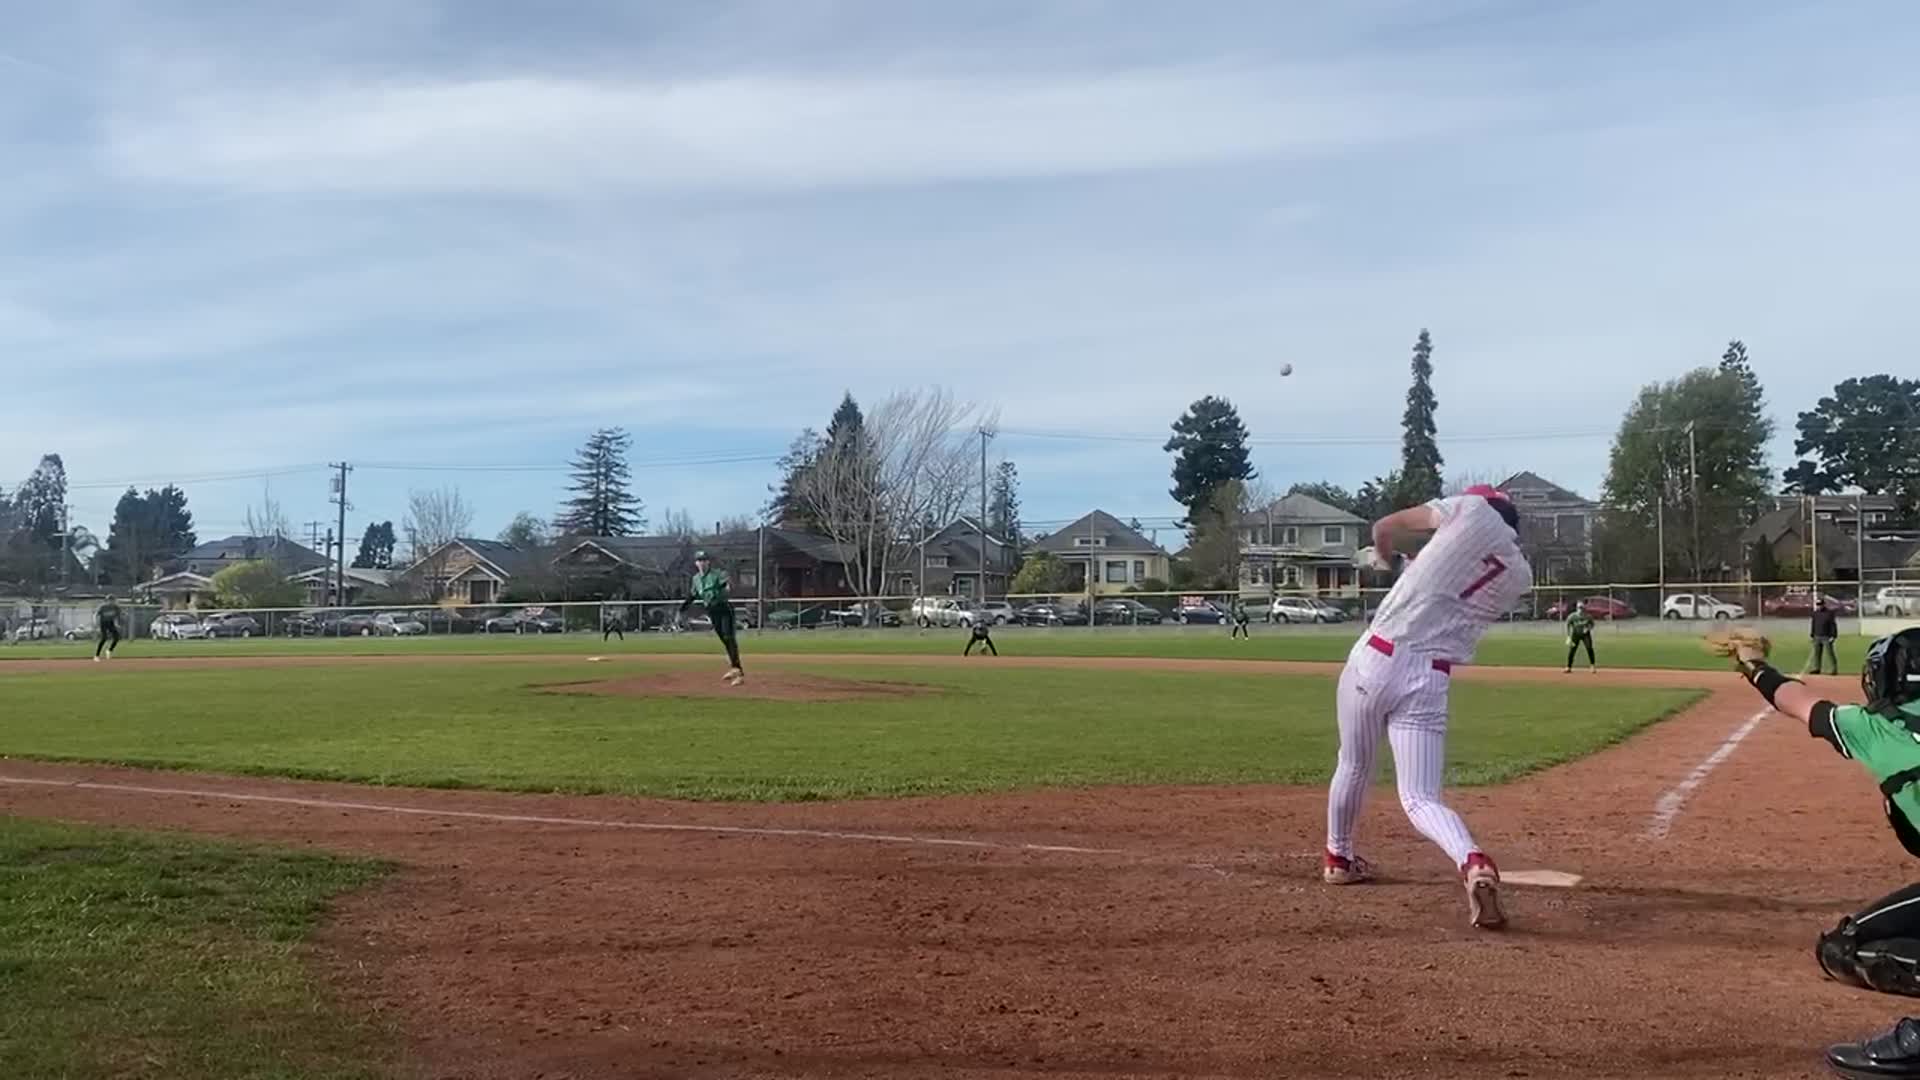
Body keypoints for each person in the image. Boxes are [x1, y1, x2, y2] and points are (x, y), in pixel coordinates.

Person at [1323, 484, 1534, 930]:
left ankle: (1338, 857)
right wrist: (1405, 566)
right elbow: (1445, 583)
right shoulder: (1519, 575)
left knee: (1355, 763)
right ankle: (1473, 860)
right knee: (1419, 798)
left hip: (1377, 657)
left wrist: (1382, 557)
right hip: (1430, 677)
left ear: (1483, 502)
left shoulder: (1471, 508)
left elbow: (1385, 527)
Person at [1723, 627, 1920, 1076]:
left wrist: (1754, 665)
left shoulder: (1875, 726)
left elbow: (1796, 700)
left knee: (1842, 949)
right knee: (1844, 945)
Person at [680, 551, 743, 685]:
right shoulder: (696, 579)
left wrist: (726, 588)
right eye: (699, 560)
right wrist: (684, 606)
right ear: (696, 563)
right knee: (724, 639)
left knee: (728, 637)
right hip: (712, 611)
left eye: (704, 560)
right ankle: (735, 667)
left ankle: (737, 671)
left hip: (724, 608)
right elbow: (694, 594)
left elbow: (726, 584)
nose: (702, 563)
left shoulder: (716, 574)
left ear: (708, 562)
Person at [1809, 598, 1841, 676]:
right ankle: (1817, 668)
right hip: (1817, 636)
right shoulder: (1815, 614)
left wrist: (1833, 636)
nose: (1819, 606)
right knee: (1817, 654)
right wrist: (1812, 634)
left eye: (1820, 604)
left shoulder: (1829, 613)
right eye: (1817, 605)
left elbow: (1833, 625)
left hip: (1827, 636)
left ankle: (1833, 669)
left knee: (1830, 653)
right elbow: (1813, 624)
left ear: (1824, 604)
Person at [1564, 601, 1597, 673]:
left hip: (1585, 634)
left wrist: (1588, 629)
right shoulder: (1572, 616)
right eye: (1579, 608)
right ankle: (1568, 667)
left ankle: (1592, 666)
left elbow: (1592, 624)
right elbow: (1568, 624)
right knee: (1572, 650)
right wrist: (1568, 636)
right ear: (1576, 608)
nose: (1581, 609)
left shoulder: (1588, 616)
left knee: (1589, 648)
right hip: (1575, 634)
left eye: (1582, 608)